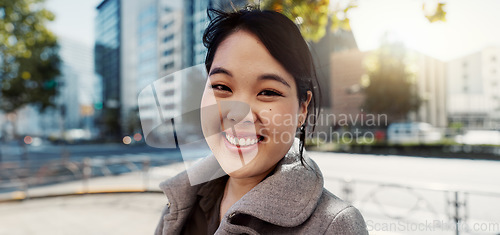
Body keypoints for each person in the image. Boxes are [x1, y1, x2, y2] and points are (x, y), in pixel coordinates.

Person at [155, 7, 368, 235]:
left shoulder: (334, 226)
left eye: (268, 92)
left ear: (302, 108)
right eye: (222, 87)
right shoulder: (179, 201)